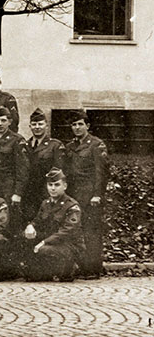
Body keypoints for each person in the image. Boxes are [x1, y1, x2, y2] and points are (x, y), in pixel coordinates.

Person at [65, 111, 108, 278]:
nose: (76, 128)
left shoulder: (96, 145)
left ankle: (93, 269)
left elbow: (101, 172)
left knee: (91, 232)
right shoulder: (71, 146)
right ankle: (82, 266)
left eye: (80, 124)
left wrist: (97, 194)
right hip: (75, 195)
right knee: (77, 231)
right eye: (74, 125)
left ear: (87, 126)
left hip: (90, 196)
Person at [23, 168, 81, 282]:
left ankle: (69, 267)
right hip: (50, 243)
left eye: (57, 185)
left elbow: (67, 231)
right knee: (32, 277)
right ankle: (46, 270)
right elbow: (37, 221)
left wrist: (44, 242)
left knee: (44, 250)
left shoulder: (72, 206)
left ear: (65, 186)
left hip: (68, 245)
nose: (53, 188)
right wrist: (30, 226)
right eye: (50, 185)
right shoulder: (46, 203)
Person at [0, 107, 28, 232]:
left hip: (8, 186)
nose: (0, 124)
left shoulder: (17, 140)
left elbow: (22, 170)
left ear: (10, 122)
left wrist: (18, 193)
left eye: (3, 120)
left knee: (8, 220)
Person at [24, 108, 66, 227]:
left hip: (46, 191)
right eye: (34, 124)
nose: (37, 127)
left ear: (46, 126)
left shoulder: (55, 145)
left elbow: (58, 170)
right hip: (28, 192)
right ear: (30, 126)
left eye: (40, 124)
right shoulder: (25, 145)